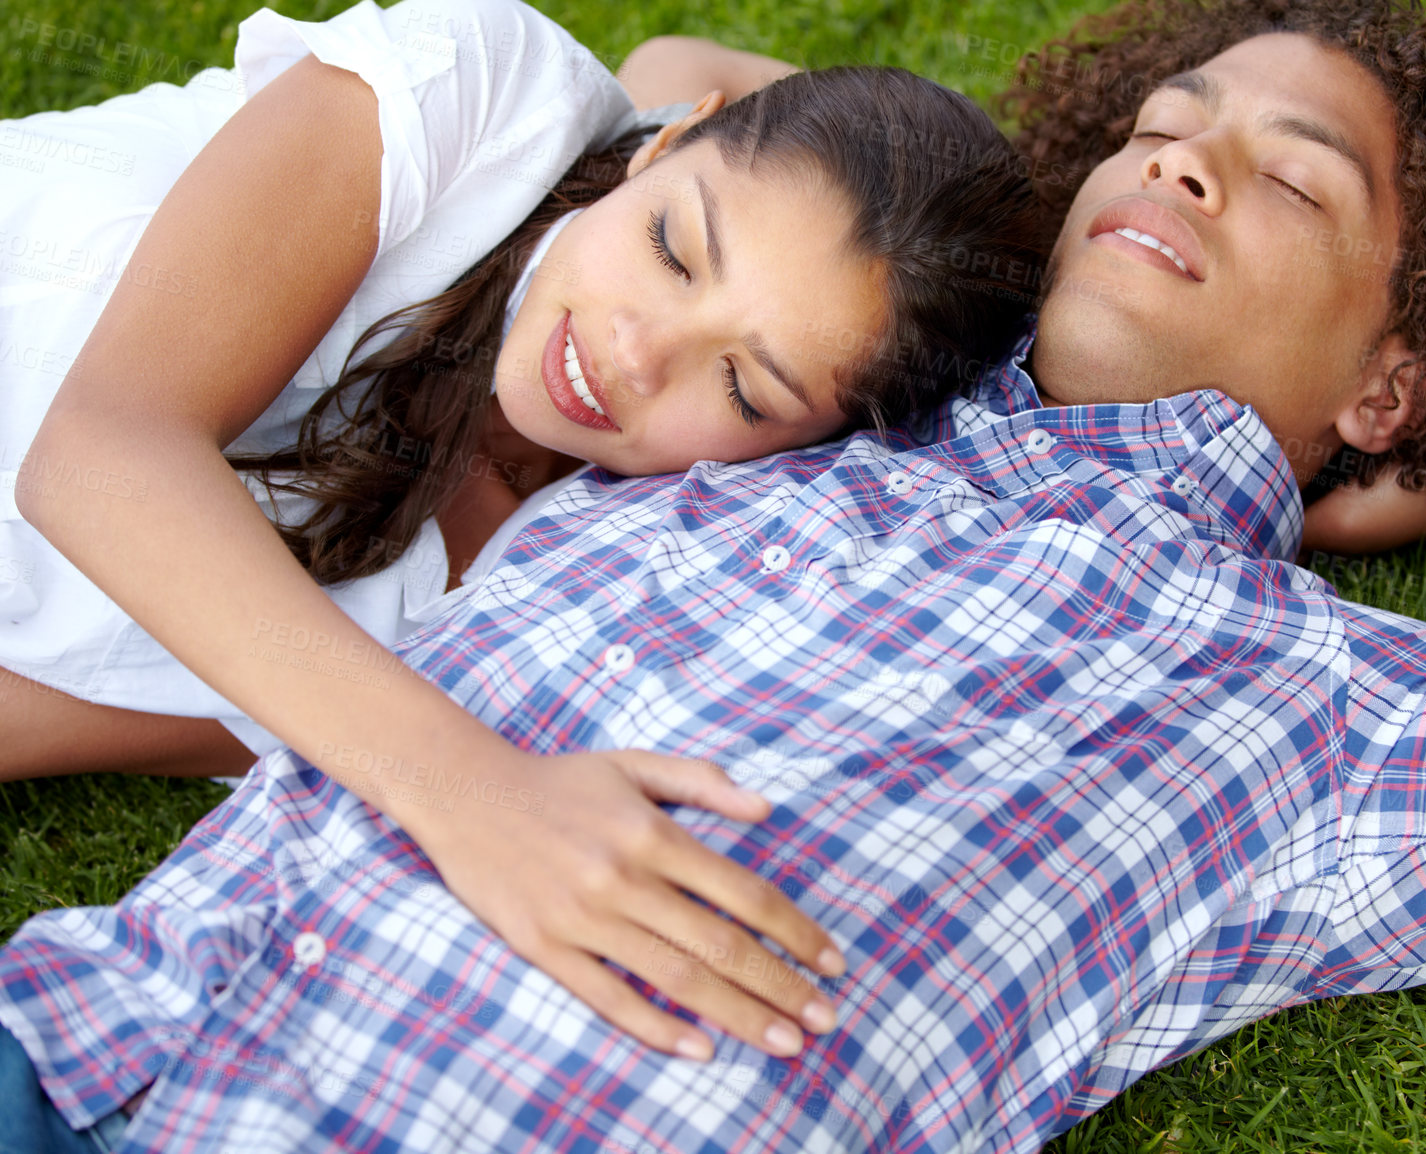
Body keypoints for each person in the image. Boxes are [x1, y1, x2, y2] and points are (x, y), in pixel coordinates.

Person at [3, 0, 1426, 1151]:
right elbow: (707, 90)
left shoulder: (1333, 713)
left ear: (1388, 373)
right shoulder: (814, 387)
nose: (1173, 158)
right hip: (83, 1029)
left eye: (1288, 177)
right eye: (1153, 125)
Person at [0, 0, 1043, 775]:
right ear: (669, 140)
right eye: (673, 250)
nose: (636, 356)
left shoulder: (554, 593)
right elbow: (101, 453)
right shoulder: (487, 97)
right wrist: (474, 791)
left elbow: (72, 710)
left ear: (809, 446)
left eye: (743, 386)